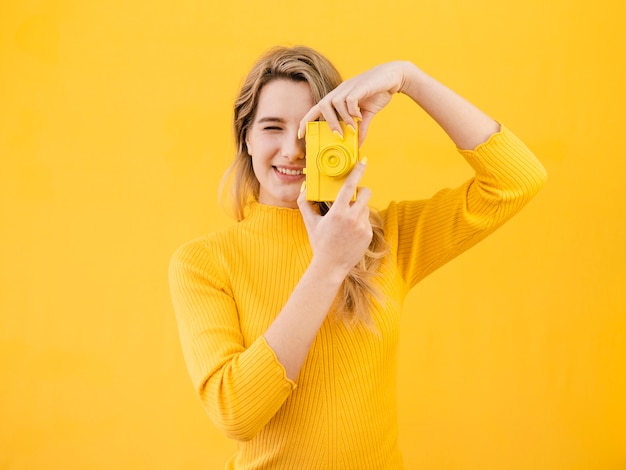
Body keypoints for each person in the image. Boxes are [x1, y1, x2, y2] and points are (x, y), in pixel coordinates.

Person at [168, 45, 547, 469]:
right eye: (272, 127)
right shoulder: (203, 263)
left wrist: (409, 77)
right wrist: (328, 267)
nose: (293, 151)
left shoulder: (385, 240)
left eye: (312, 129)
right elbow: (235, 412)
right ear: (247, 138)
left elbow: (517, 180)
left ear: (342, 136)